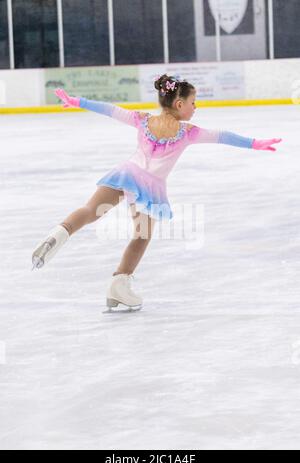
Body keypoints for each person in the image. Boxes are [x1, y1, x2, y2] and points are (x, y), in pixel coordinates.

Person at [31, 73, 282, 311]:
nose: (196, 107)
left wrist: (77, 101)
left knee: (90, 211)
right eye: (193, 103)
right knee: (141, 236)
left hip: (126, 173)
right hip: (149, 188)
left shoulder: (142, 120)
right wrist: (254, 143)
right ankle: (119, 284)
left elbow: (109, 110)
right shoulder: (188, 132)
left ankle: (57, 235)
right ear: (180, 103)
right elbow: (223, 137)